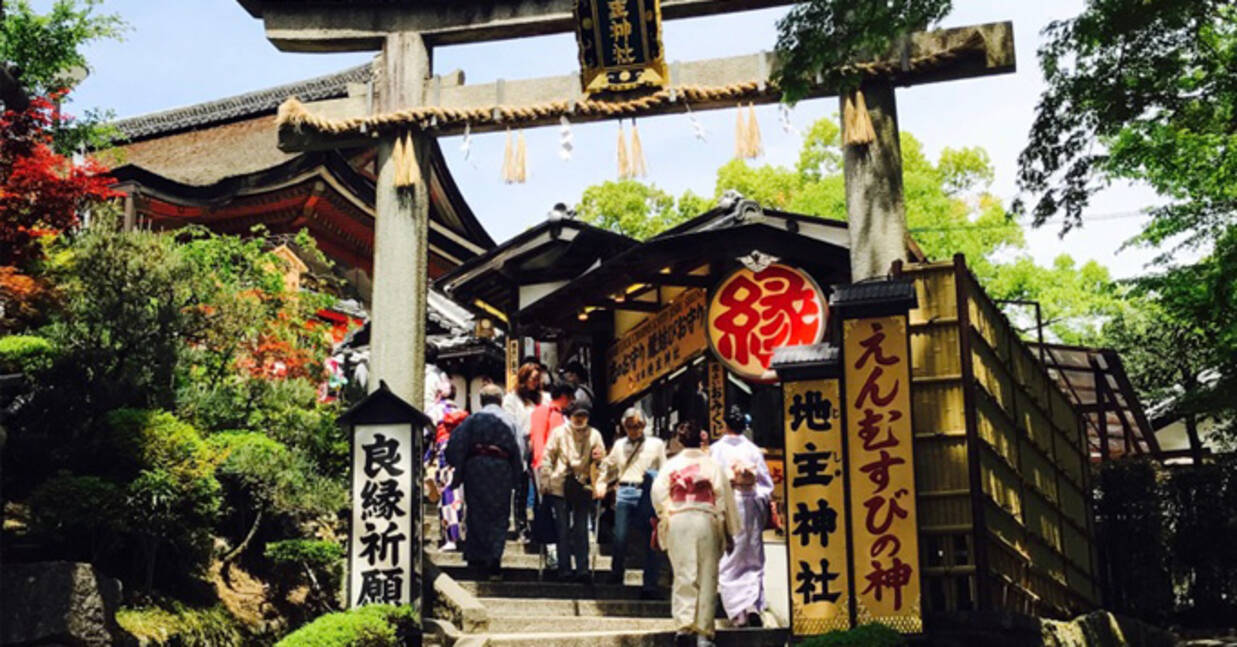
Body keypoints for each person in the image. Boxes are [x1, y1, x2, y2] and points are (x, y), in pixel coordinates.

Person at [652, 421, 739, 647]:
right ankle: (703, 633)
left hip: (678, 518)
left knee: (683, 573)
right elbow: (723, 498)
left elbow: (658, 493)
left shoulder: (671, 466)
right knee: (707, 575)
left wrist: (666, 514)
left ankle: (683, 627)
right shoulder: (712, 465)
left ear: (680, 441)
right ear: (702, 440)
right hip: (705, 518)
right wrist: (729, 531)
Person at [445, 384, 523, 579]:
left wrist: (458, 466)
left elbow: (455, 444)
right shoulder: (511, 421)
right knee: (499, 513)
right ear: (500, 400)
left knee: (477, 511)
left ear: (481, 401)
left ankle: (477, 557)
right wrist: (517, 475)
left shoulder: (472, 420)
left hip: (476, 467)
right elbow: (520, 450)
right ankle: (494, 558)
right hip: (502, 468)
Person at [709, 406, 774, 628]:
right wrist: (752, 487)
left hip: (728, 502)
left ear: (725, 425)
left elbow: (712, 480)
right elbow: (766, 484)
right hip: (751, 502)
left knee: (730, 556)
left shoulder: (715, 449)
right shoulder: (753, 449)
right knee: (752, 556)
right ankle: (752, 605)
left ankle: (737, 610)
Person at [596, 407, 666, 596]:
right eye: (630, 426)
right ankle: (616, 573)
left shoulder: (657, 444)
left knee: (651, 539)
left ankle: (650, 583)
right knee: (620, 537)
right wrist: (601, 483)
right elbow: (607, 466)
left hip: (647, 491)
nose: (634, 430)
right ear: (624, 427)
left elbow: (665, 470)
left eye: (638, 425)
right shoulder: (619, 445)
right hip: (625, 490)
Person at [539, 402, 605, 583]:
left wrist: (600, 474)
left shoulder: (594, 435)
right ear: (570, 415)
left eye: (583, 416)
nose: (579, 419)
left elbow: (603, 462)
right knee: (562, 528)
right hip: (559, 484)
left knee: (581, 529)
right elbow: (547, 458)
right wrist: (545, 480)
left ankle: (582, 569)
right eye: (576, 416)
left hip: (582, 485)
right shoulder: (558, 433)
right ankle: (564, 568)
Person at [503, 362, 542, 540]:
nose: (535, 382)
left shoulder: (541, 398)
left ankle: (538, 524)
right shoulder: (512, 399)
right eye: (533, 379)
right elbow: (510, 423)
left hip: (539, 444)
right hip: (521, 445)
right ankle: (521, 525)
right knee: (521, 486)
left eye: (537, 379)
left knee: (540, 486)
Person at [428, 409, 468, 551]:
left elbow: (431, 456)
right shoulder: (464, 438)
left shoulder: (442, 437)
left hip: (446, 475)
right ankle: (459, 537)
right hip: (461, 474)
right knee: (458, 506)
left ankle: (451, 538)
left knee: (447, 506)